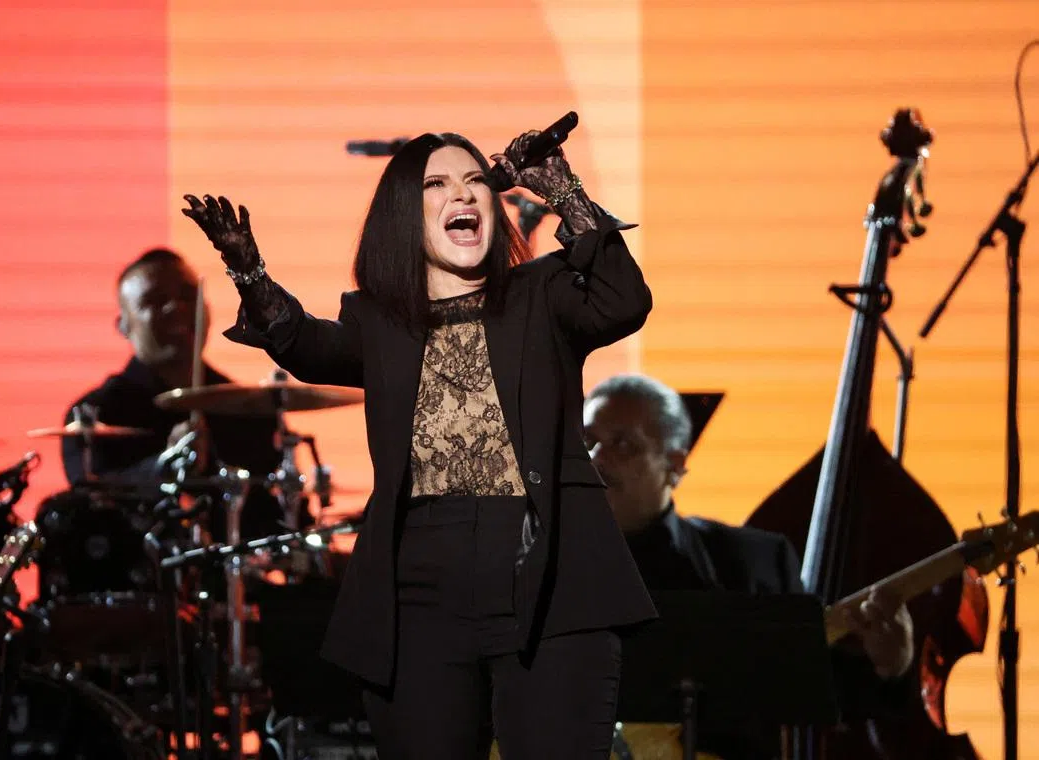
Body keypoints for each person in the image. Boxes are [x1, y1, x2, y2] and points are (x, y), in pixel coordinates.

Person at [181, 127, 658, 759]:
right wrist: (249, 269)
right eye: (437, 184)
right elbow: (303, 343)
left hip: (550, 584)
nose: (462, 194)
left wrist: (559, 186)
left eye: (475, 182)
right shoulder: (380, 323)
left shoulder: (539, 295)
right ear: (406, 215)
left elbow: (623, 302)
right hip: (418, 600)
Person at [582, 373, 917, 759]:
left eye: (622, 444)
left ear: (674, 464)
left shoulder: (753, 561)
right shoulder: (530, 566)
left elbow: (821, 691)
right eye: (587, 443)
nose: (595, 459)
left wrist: (892, 665)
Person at [60, 248, 283, 539]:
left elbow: (279, 518)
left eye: (188, 295)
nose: (175, 307)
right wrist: (167, 466)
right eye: (153, 300)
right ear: (124, 326)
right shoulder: (95, 415)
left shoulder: (250, 409)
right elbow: (90, 496)